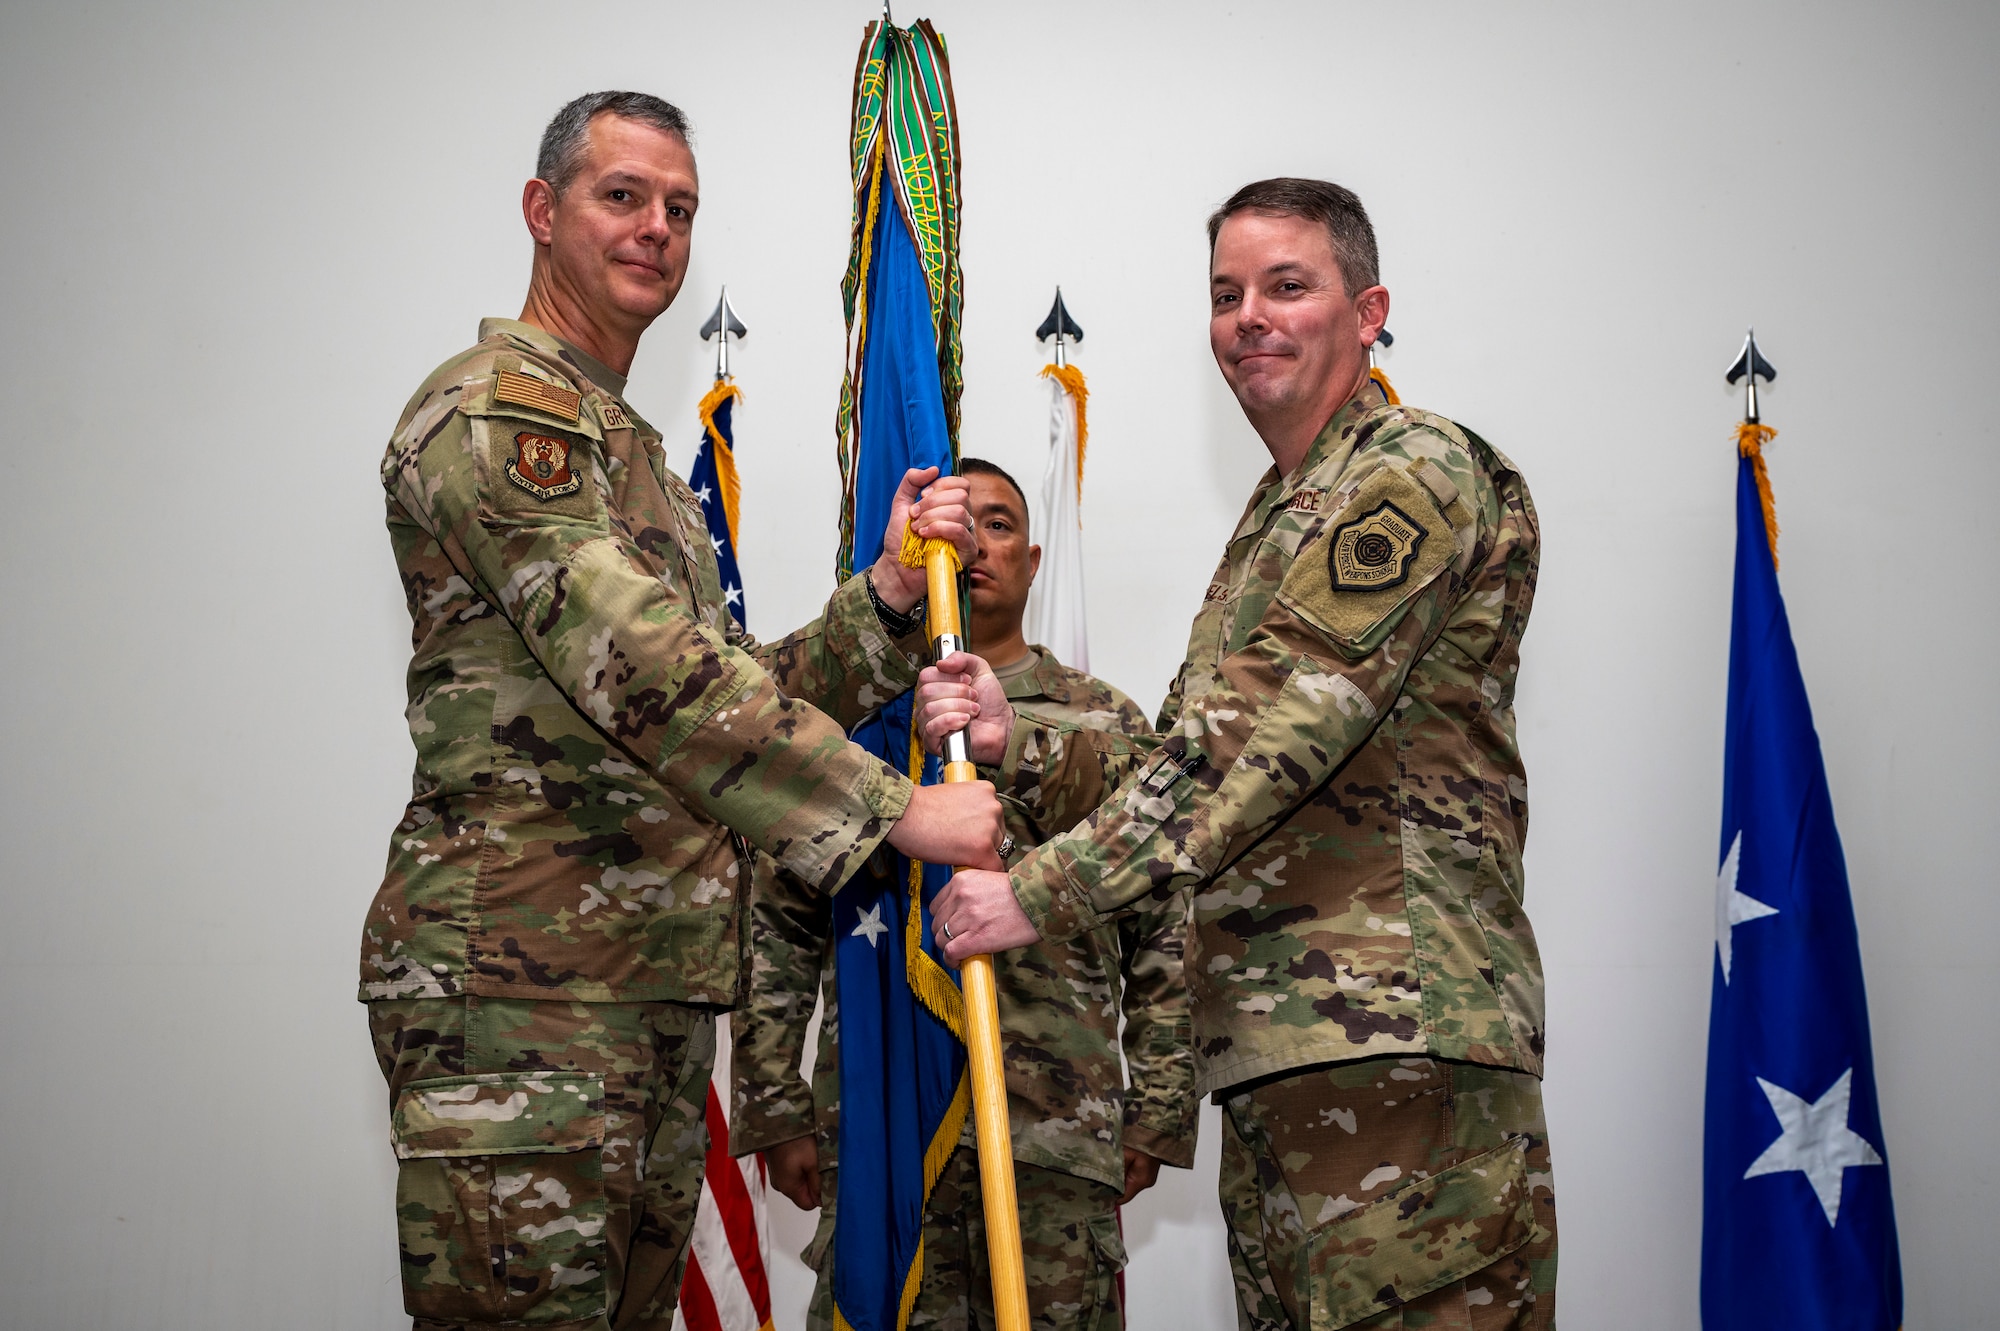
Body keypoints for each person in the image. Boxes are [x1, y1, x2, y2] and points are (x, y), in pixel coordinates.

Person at [358, 91, 1004, 1331]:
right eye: (623, 196)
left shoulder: (631, 448)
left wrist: (874, 602)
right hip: (523, 995)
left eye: (680, 208)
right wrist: (894, 813)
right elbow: (640, 662)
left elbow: (720, 688)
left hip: (639, 987)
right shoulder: (501, 407)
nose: (657, 227)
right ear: (542, 214)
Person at [917, 180, 1556, 1329]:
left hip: (1395, 1048)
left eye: (1286, 286)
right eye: (1226, 294)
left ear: (1367, 313)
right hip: (1283, 1048)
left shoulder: (1408, 471)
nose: (1248, 316)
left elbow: (1255, 743)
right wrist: (1025, 742)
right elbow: (1180, 756)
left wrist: (1034, 891)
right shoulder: (1279, 513)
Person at [730, 459, 1197, 1331]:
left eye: (1000, 523)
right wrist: (770, 1102)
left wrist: (1161, 1109)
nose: (974, 542)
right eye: (956, 520)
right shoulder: (857, 719)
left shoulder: (1107, 721)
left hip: (1056, 1127)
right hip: (884, 1120)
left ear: (1034, 557)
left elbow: (1165, 921)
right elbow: (780, 912)